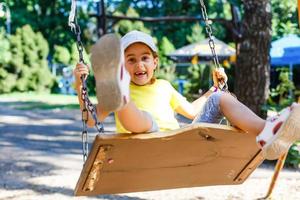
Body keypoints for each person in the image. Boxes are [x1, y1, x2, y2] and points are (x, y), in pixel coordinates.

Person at [74, 30, 300, 160]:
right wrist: (79, 86)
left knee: (220, 98)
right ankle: (123, 100)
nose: (139, 64)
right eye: (130, 60)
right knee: (145, 120)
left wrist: (214, 89)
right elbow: (91, 119)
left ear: (155, 62)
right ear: (122, 68)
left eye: (144, 57)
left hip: (179, 142)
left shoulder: (163, 86)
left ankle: (267, 131)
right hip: (141, 146)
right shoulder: (119, 90)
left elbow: (192, 111)